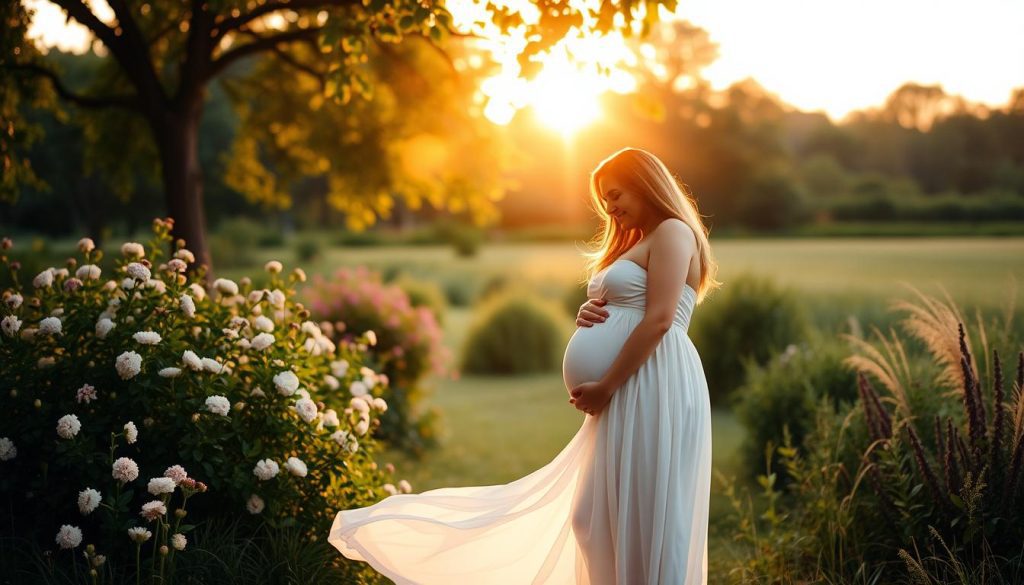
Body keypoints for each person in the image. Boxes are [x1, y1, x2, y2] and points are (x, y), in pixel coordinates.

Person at [328, 146, 720, 584]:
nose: (609, 208)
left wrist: (606, 384)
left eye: (616, 195)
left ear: (645, 185)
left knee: (642, 515)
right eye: (604, 200)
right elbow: (638, 305)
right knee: (593, 517)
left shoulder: (673, 231)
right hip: (629, 384)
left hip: (652, 381)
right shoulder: (644, 239)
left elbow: (661, 319)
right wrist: (597, 311)